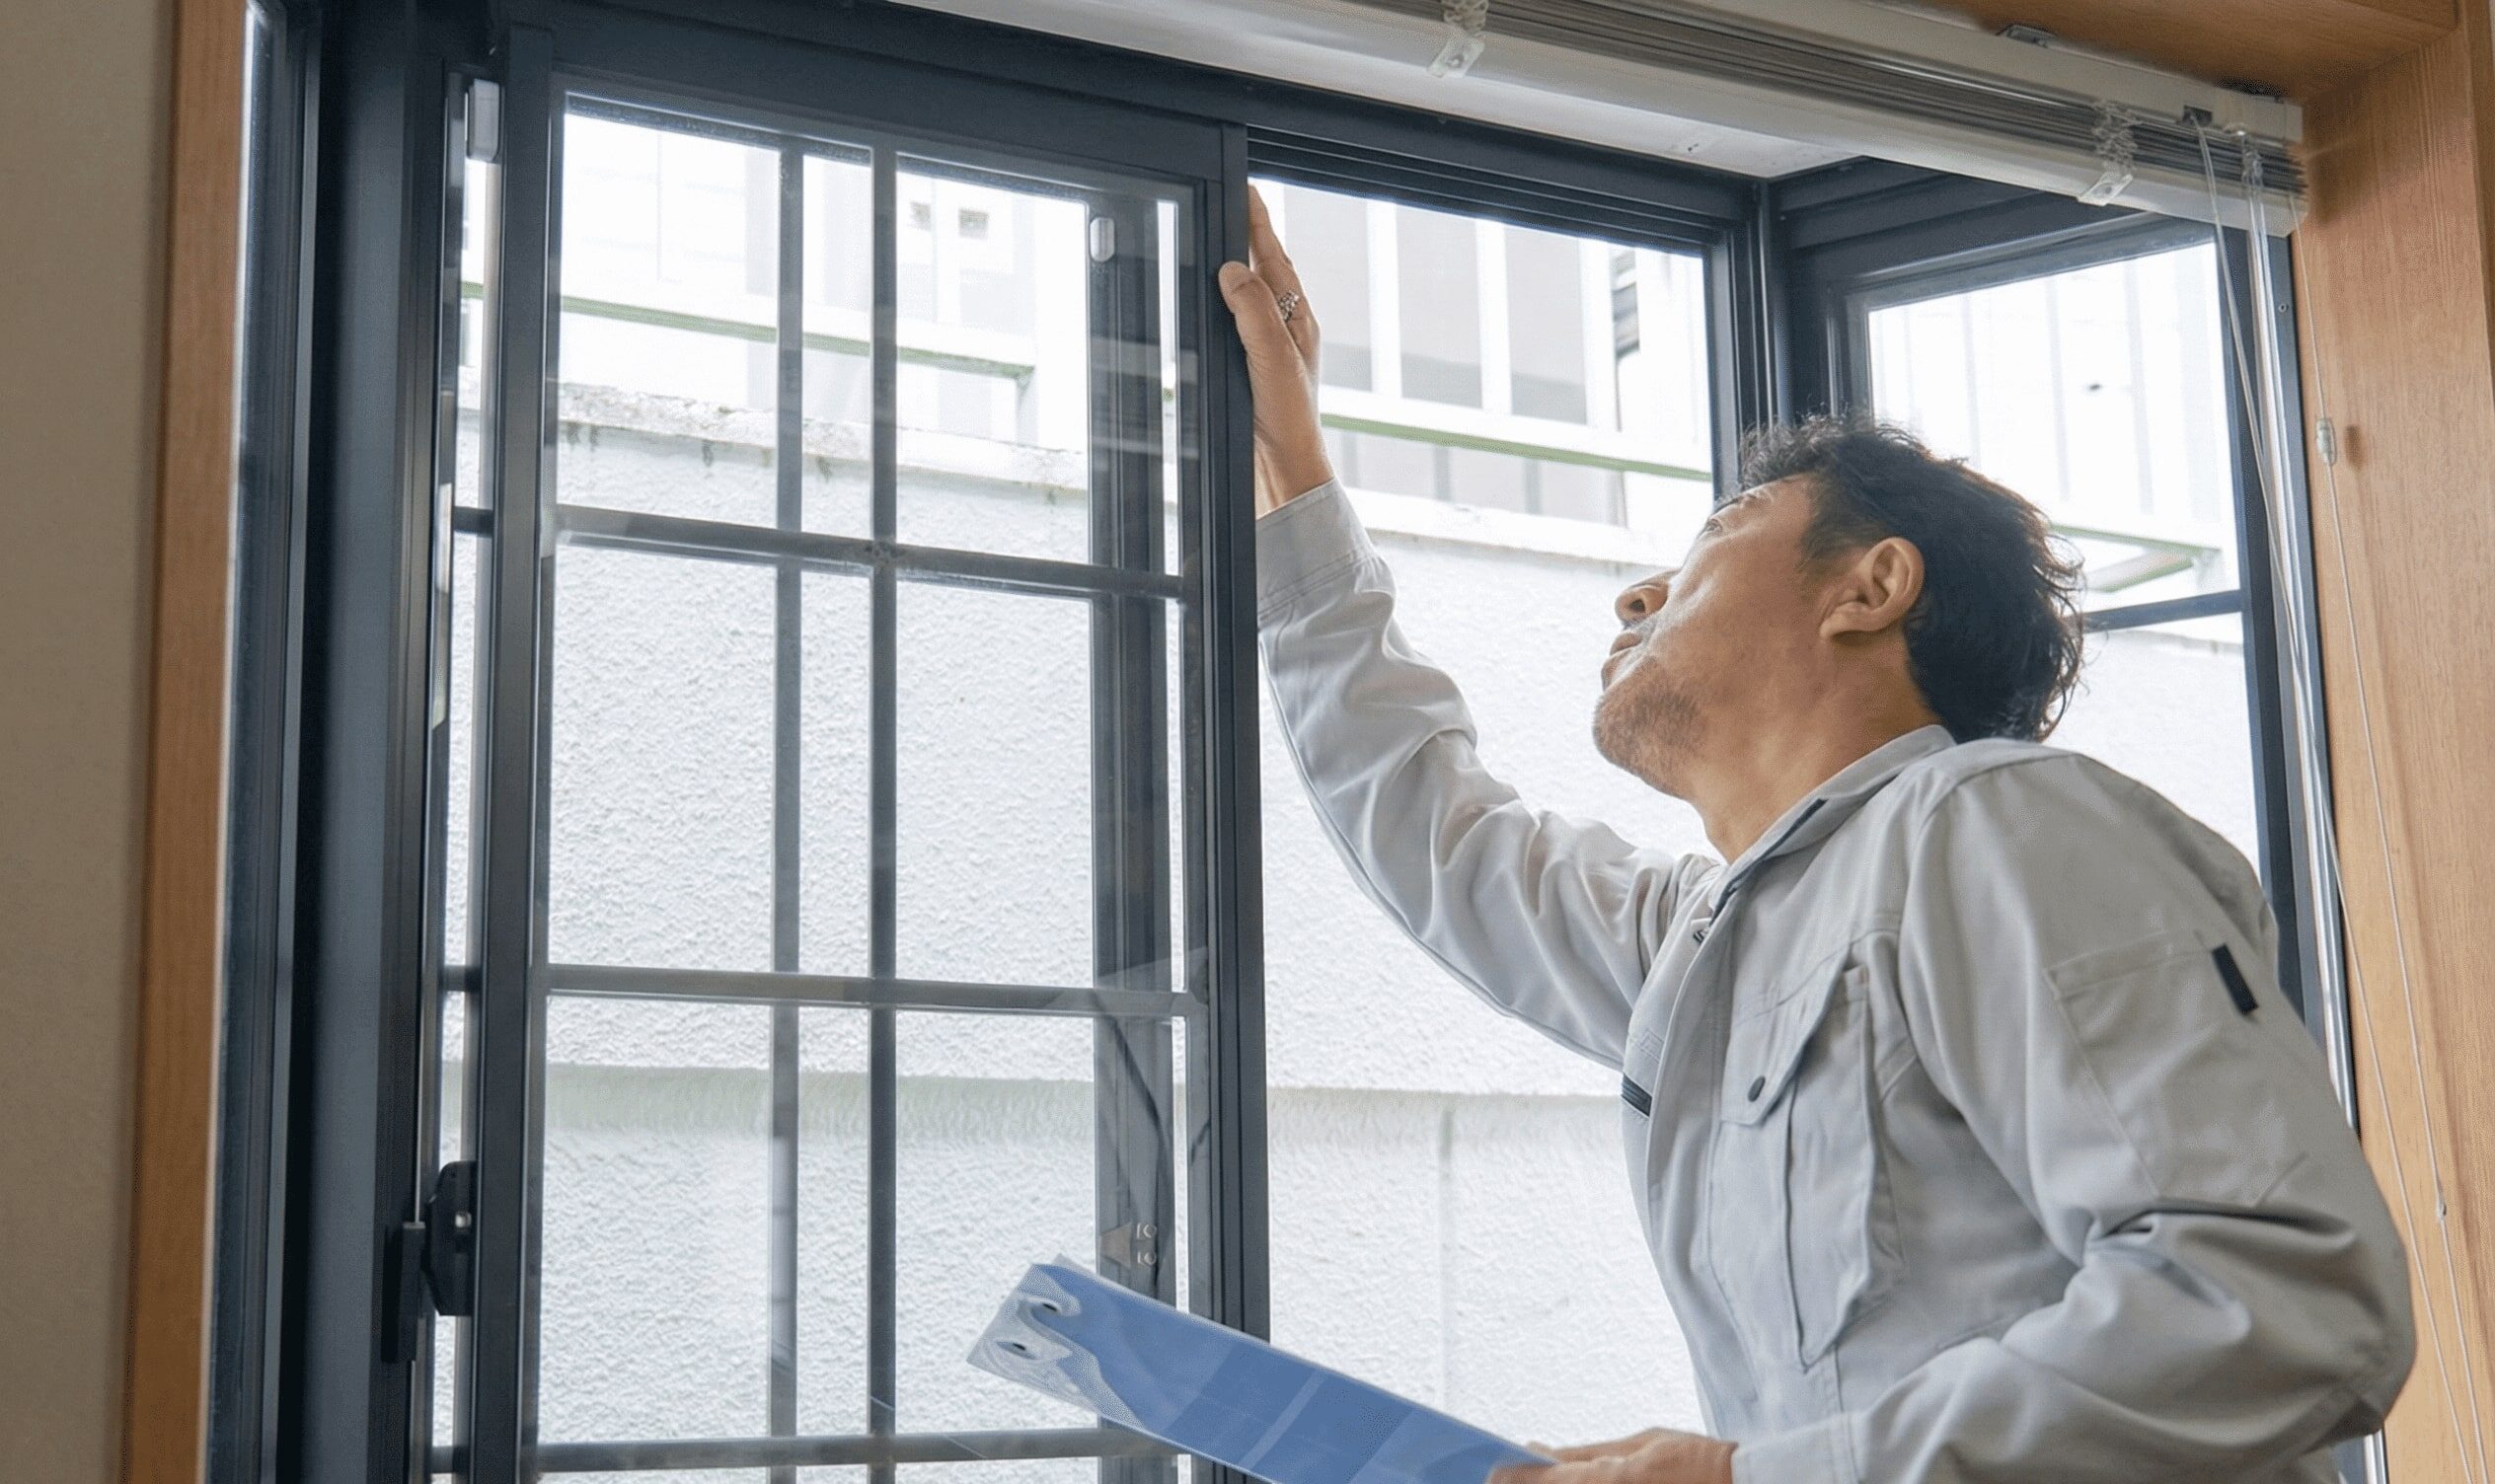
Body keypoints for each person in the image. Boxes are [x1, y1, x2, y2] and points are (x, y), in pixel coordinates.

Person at [1217, 187, 2413, 1484]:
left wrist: (1747, 1480)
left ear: (1871, 587)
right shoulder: (1712, 945)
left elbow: (2286, 1301)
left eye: (1717, 532)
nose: (1637, 592)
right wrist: (1293, 472)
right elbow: (1428, 831)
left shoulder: (1991, 825)